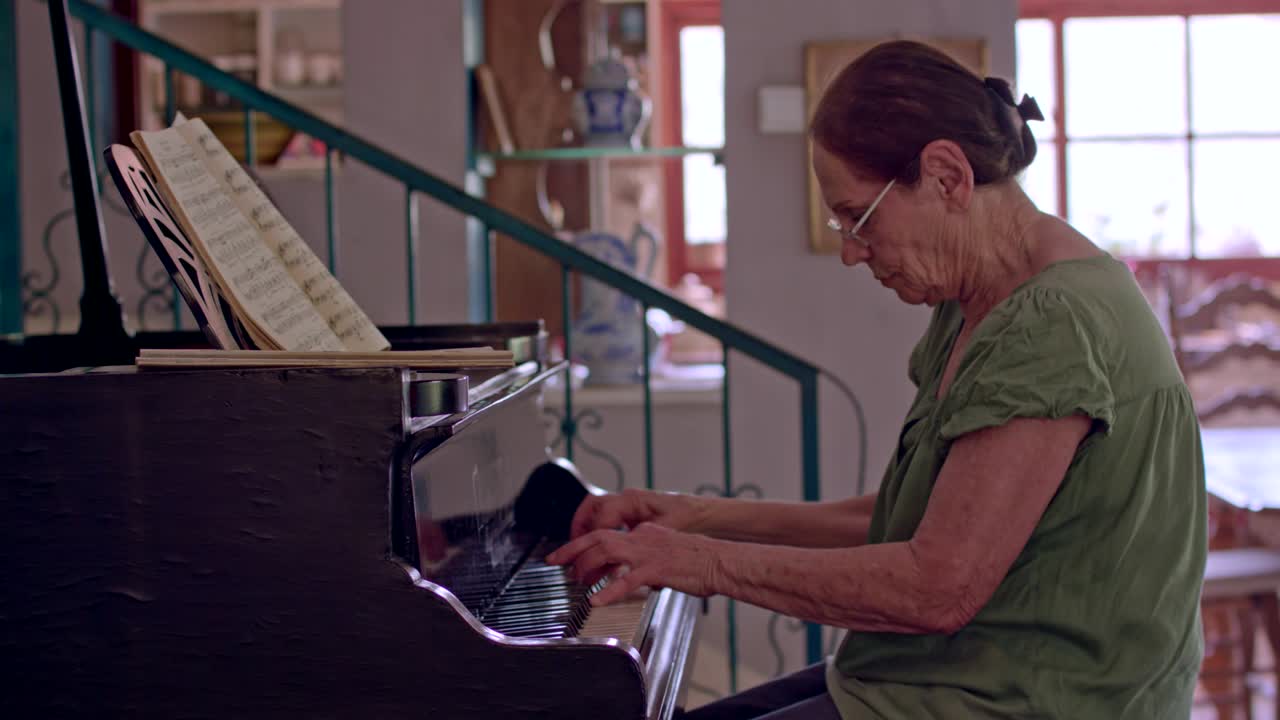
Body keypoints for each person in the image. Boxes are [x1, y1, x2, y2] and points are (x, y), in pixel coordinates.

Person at [547, 40, 1206, 719]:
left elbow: (935, 587)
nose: (850, 252)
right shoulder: (984, 297)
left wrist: (705, 562)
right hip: (942, 682)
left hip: (1038, 702)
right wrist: (699, 516)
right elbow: (915, 520)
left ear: (947, 176)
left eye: (859, 217)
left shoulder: (1052, 322)